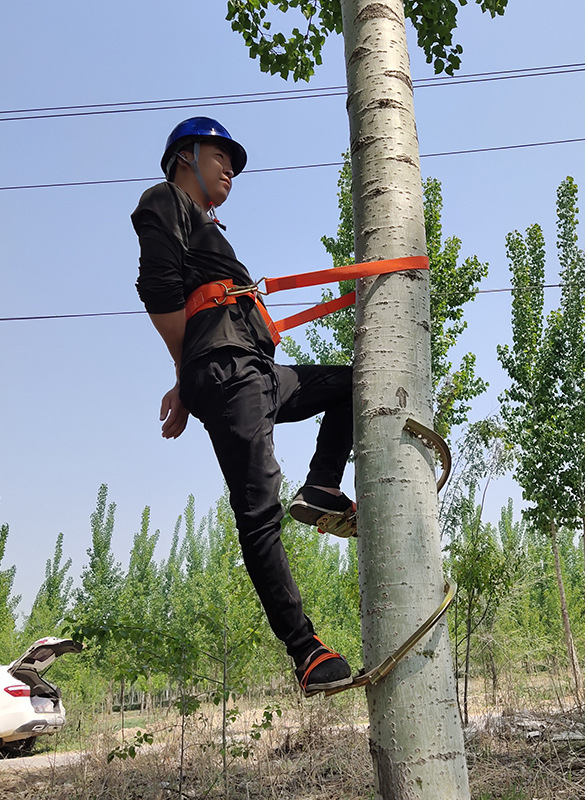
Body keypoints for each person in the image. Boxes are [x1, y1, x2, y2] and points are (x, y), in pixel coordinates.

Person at [131, 116, 356, 696]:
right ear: (187, 154)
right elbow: (158, 292)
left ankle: (324, 487)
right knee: (259, 510)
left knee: (353, 383)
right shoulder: (163, 202)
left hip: (254, 371)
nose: (231, 166)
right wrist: (187, 376)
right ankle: (305, 651)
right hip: (226, 374)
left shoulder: (210, 231)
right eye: (221, 154)